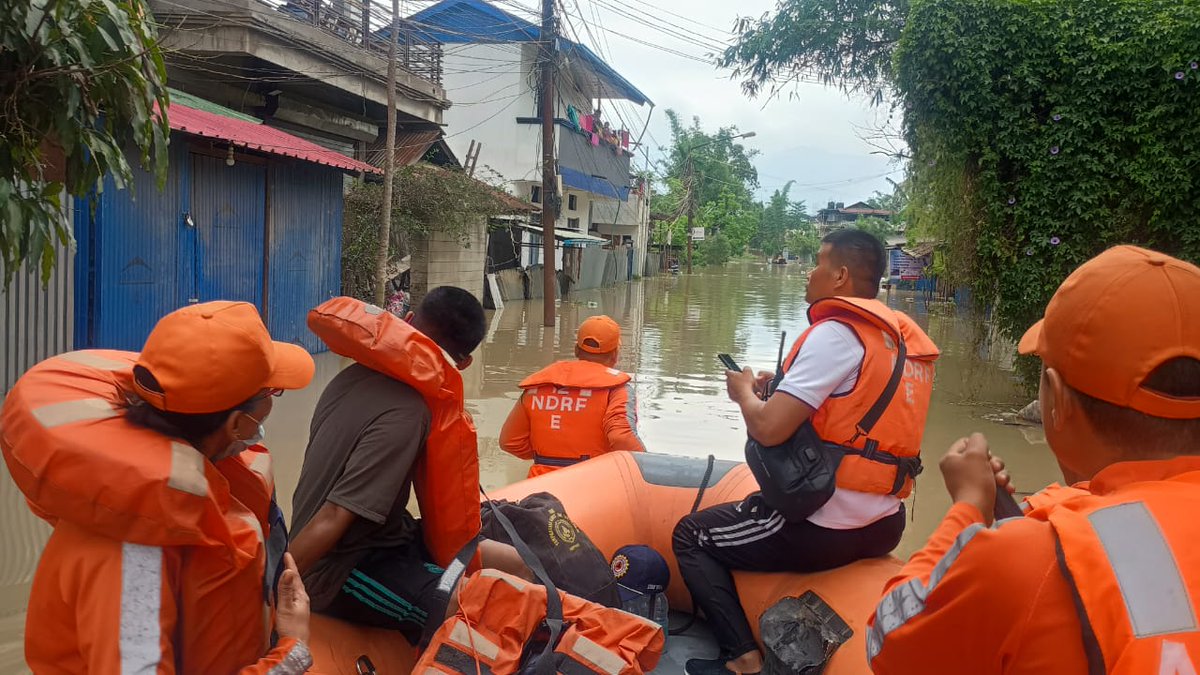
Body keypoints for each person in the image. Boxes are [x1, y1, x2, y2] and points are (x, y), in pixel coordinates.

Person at [866, 245, 1200, 674]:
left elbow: (886, 644)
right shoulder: (1048, 529)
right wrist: (1015, 516)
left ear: (1056, 402)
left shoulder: (1024, 561)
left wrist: (968, 509)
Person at [673, 228, 940, 675]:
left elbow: (769, 428)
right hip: (884, 523)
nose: (807, 272)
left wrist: (744, 395)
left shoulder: (837, 334)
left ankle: (742, 660)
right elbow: (851, 412)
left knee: (691, 535)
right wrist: (772, 392)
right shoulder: (899, 343)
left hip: (824, 521)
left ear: (839, 276)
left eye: (816, 262)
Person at [2, 301, 316, 673]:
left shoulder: (173, 482)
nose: (273, 400)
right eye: (270, 393)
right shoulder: (137, 548)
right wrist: (292, 651)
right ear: (238, 424)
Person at [290, 287, 527, 645]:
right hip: (339, 568)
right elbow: (336, 514)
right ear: (464, 364)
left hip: (387, 539)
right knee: (482, 612)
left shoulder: (350, 377)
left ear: (409, 322)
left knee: (514, 562)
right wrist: (275, 586)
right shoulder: (407, 413)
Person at [499, 314, 646, 477]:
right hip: (593, 484)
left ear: (576, 349)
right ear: (615, 354)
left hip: (539, 486)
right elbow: (621, 436)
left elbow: (510, 442)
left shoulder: (537, 387)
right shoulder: (617, 389)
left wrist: (551, 457)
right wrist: (648, 467)